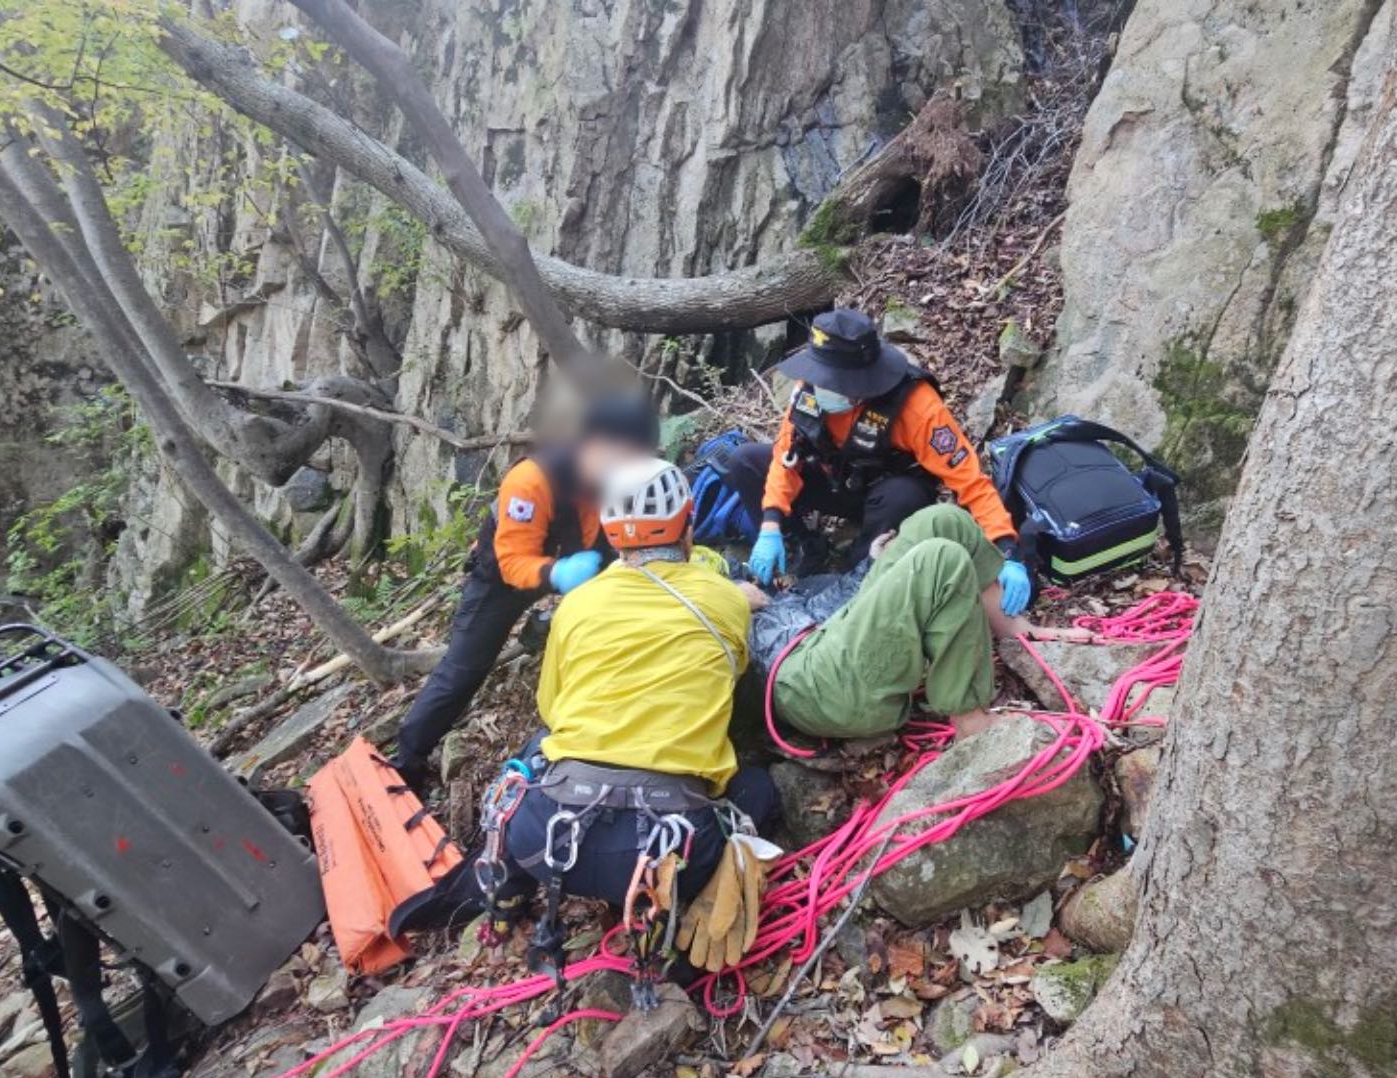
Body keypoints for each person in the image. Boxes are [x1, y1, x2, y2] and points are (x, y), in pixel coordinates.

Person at [495, 459, 779, 945]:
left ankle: (506, 897)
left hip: (547, 840)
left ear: (611, 532)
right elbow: (732, 680)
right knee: (758, 789)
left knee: (531, 755)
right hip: (671, 848)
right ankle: (676, 926)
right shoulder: (724, 598)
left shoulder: (577, 605)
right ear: (688, 522)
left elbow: (553, 710)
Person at [390, 395, 659, 793]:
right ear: (599, 445)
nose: (637, 469)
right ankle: (407, 759)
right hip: (503, 577)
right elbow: (512, 561)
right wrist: (558, 573)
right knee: (464, 668)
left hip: (589, 566)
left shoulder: (622, 480)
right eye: (632, 457)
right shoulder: (532, 479)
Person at [723, 308, 1032, 617]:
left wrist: (1006, 550)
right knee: (746, 461)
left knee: (903, 494)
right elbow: (785, 457)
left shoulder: (915, 404)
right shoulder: (811, 387)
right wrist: (771, 524)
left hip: (888, 496)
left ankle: (857, 576)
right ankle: (800, 547)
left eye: (830, 382)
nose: (819, 387)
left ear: (859, 384)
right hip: (833, 480)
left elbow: (969, 478)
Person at [748, 503, 1091, 742]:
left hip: (826, 630)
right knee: (941, 560)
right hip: (804, 680)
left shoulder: (708, 573)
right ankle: (971, 719)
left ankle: (1017, 633)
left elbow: (822, 601)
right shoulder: (702, 603)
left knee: (943, 520)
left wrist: (870, 568)